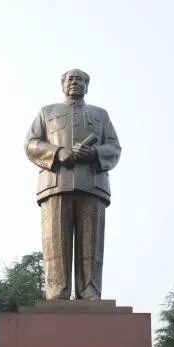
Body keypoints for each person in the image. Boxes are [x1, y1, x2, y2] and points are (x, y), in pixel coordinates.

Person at [24, 68, 122, 300]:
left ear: (87, 86)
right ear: (63, 84)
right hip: (56, 183)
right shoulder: (47, 112)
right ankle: (57, 290)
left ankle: (90, 290)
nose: (75, 83)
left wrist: (93, 153)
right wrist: (57, 152)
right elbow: (31, 143)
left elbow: (114, 148)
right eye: (71, 79)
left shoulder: (101, 115)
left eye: (80, 80)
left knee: (91, 243)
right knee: (55, 242)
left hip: (92, 184)